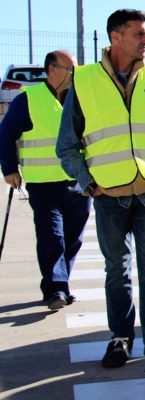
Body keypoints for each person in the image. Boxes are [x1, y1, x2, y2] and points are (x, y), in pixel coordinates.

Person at [56, 9, 145, 377]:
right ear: (116, 37)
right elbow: (67, 144)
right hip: (109, 196)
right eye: (139, 34)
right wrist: (89, 183)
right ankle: (120, 338)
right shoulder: (85, 81)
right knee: (117, 270)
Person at [0, 50, 91, 310]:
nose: (75, 74)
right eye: (71, 69)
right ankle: (55, 290)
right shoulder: (28, 99)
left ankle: (62, 284)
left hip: (77, 181)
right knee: (52, 236)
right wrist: (10, 169)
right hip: (42, 184)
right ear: (52, 70)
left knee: (73, 238)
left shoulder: (82, 98)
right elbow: (5, 134)